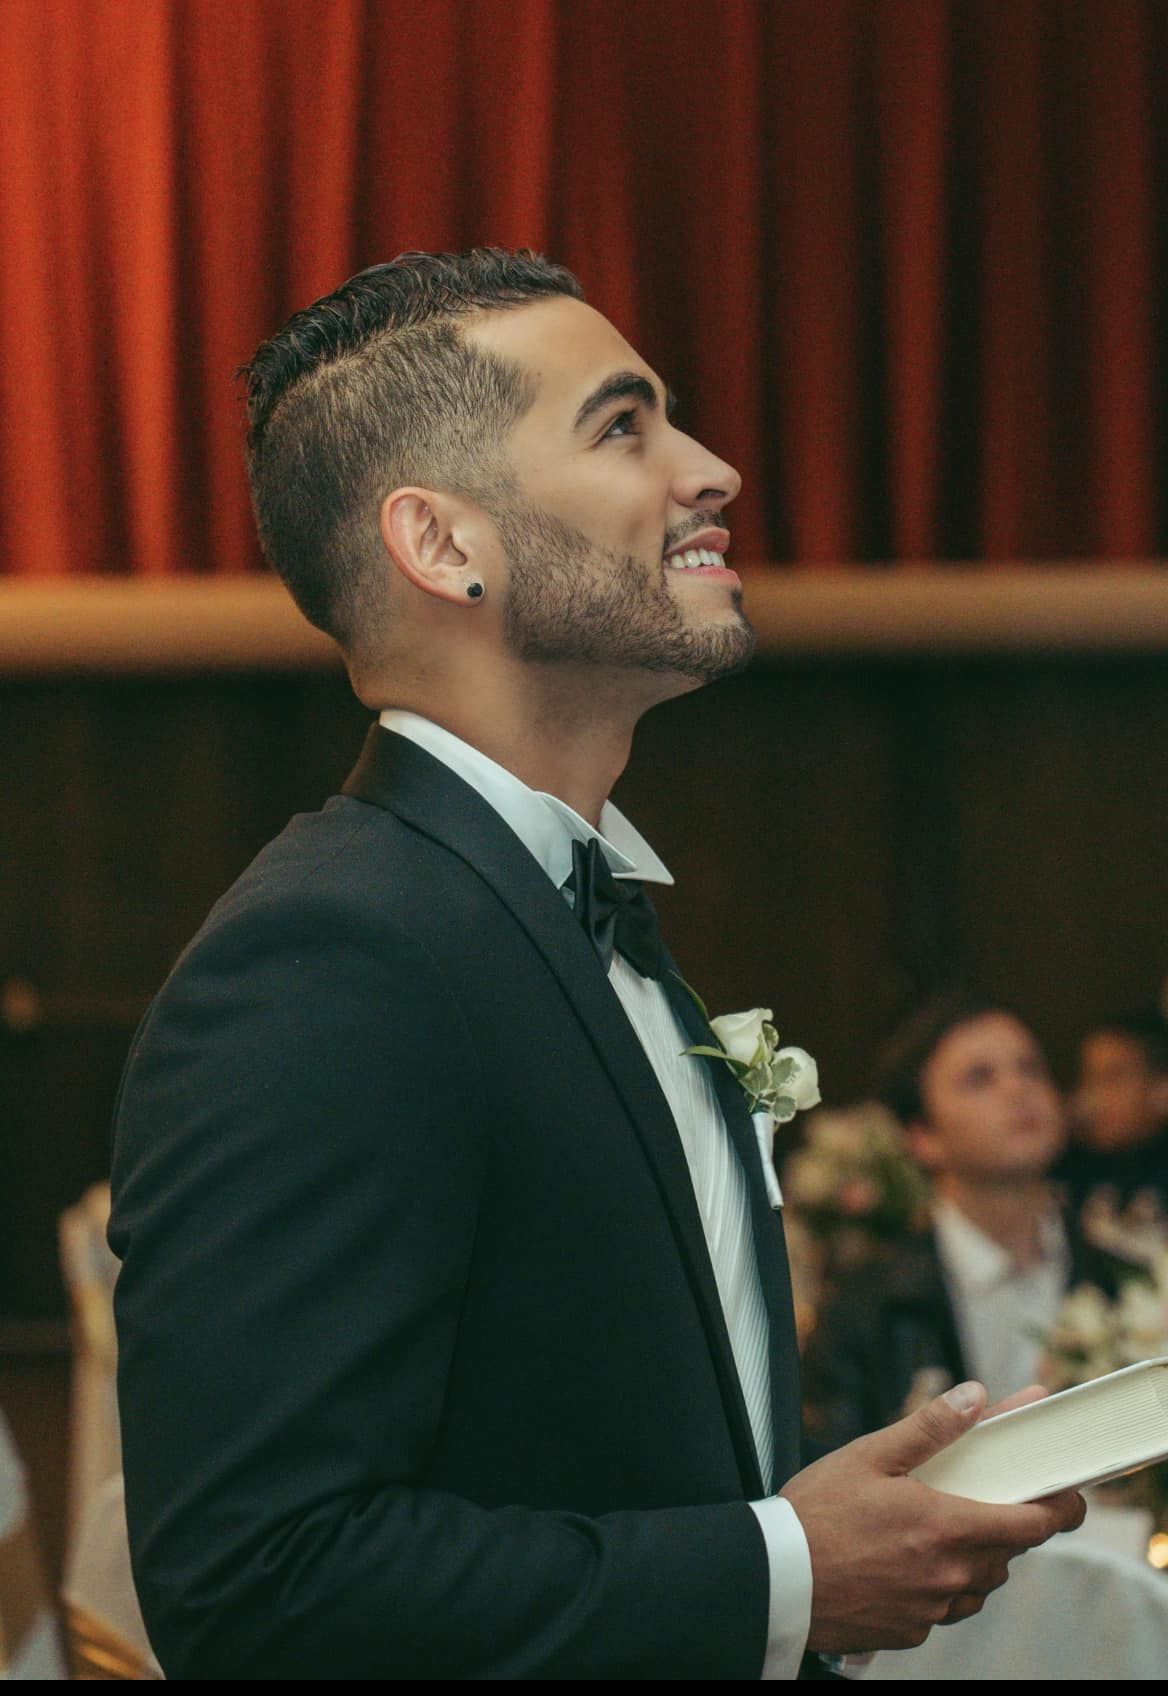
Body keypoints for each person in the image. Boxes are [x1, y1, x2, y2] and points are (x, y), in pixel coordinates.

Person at [108, 250, 1082, 1680]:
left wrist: (830, 1518)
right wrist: (784, 1574)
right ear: (443, 545)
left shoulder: (576, 912)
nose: (717, 469)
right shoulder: (329, 957)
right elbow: (259, 1586)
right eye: (625, 426)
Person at [802, 996, 1128, 1449]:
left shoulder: (1124, 1272)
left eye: (1031, 1069)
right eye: (980, 1078)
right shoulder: (866, 1304)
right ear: (922, 1137)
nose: (1018, 1090)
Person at [1054, 1011, 1168, 1237]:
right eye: (1086, 1078)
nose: (1090, 1098)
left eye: (1112, 1079)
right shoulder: (1066, 1168)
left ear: (1162, 1089)